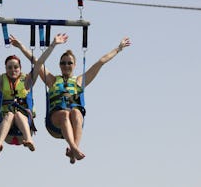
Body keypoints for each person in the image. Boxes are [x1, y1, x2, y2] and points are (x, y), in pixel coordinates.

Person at [13, 35, 131, 164]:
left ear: (74, 65)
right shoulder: (52, 80)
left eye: (69, 63)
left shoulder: (79, 81)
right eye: (63, 63)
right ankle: (74, 148)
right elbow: (37, 62)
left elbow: (101, 62)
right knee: (65, 113)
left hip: (74, 122)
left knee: (76, 112)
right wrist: (21, 46)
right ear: (59, 65)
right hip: (55, 124)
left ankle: (73, 149)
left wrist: (118, 48)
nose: (66, 65)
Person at [0, 33, 68, 157]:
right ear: (6, 69)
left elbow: (39, 63)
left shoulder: (27, 81)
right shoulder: (0, 82)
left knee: (17, 114)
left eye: (16, 67)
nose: (13, 70)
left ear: (20, 68)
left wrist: (53, 44)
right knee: (10, 114)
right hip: (8, 134)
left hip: (24, 132)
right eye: (9, 67)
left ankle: (29, 140)